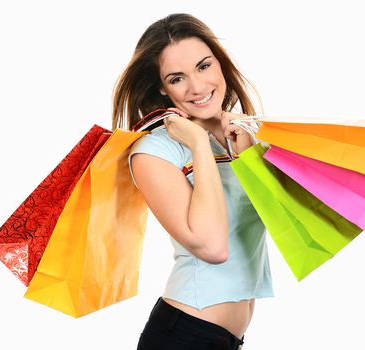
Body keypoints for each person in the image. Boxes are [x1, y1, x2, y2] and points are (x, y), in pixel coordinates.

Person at [112, 13, 274, 350]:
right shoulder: (153, 151)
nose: (197, 87)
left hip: (230, 339)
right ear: (161, 87)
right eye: (177, 78)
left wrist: (250, 160)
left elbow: (284, 220)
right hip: (184, 335)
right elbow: (213, 247)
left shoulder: (245, 135)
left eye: (203, 66)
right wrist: (198, 144)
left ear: (220, 63)